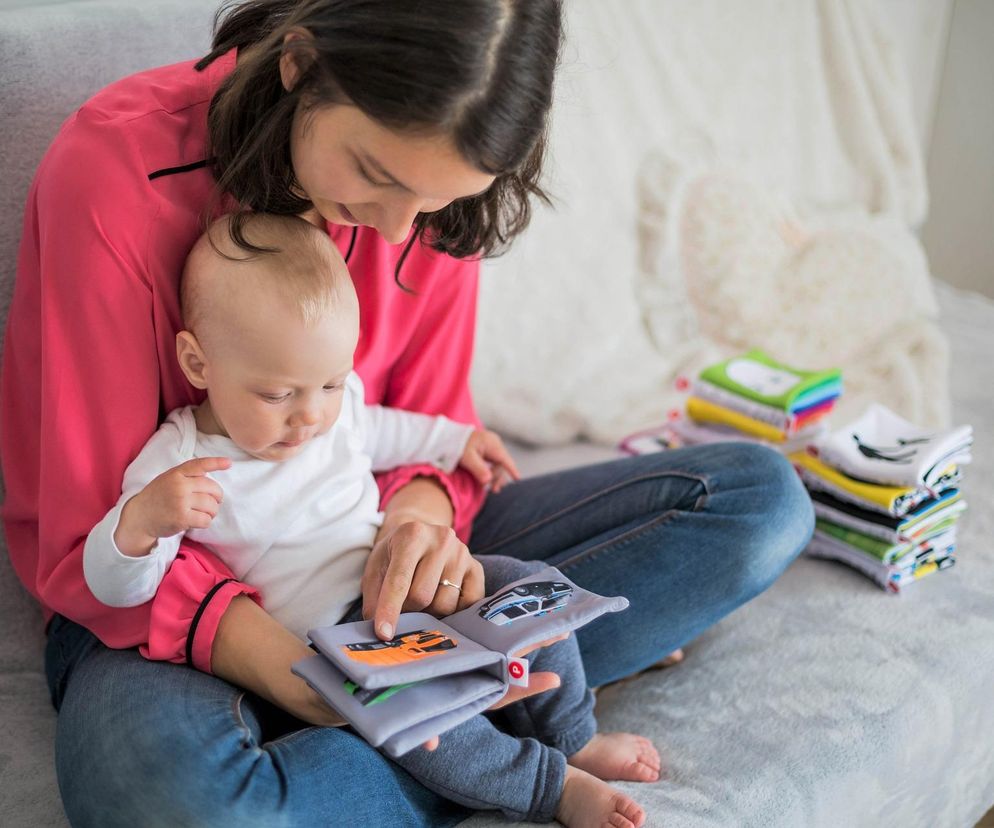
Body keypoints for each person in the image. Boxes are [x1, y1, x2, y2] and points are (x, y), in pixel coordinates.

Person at [1, 1, 814, 825]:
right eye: (377, 176)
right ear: (300, 63)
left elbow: (426, 430)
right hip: (160, 606)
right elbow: (95, 535)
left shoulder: (429, 199)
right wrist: (295, 672)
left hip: (370, 569)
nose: (399, 230)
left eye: (434, 201)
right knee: (179, 805)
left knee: (761, 503)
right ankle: (480, 732)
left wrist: (418, 530)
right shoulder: (112, 175)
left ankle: (442, 718)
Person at [80, 211, 660, 825]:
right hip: (341, 638)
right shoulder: (181, 458)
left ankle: (573, 735)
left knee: (532, 586)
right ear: (199, 365)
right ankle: (549, 786)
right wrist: (142, 523)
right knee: (424, 722)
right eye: (277, 395)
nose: (310, 417)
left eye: (330, 385)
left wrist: (454, 440)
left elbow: (382, 429)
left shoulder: (332, 405)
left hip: (404, 580)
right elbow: (116, 588)